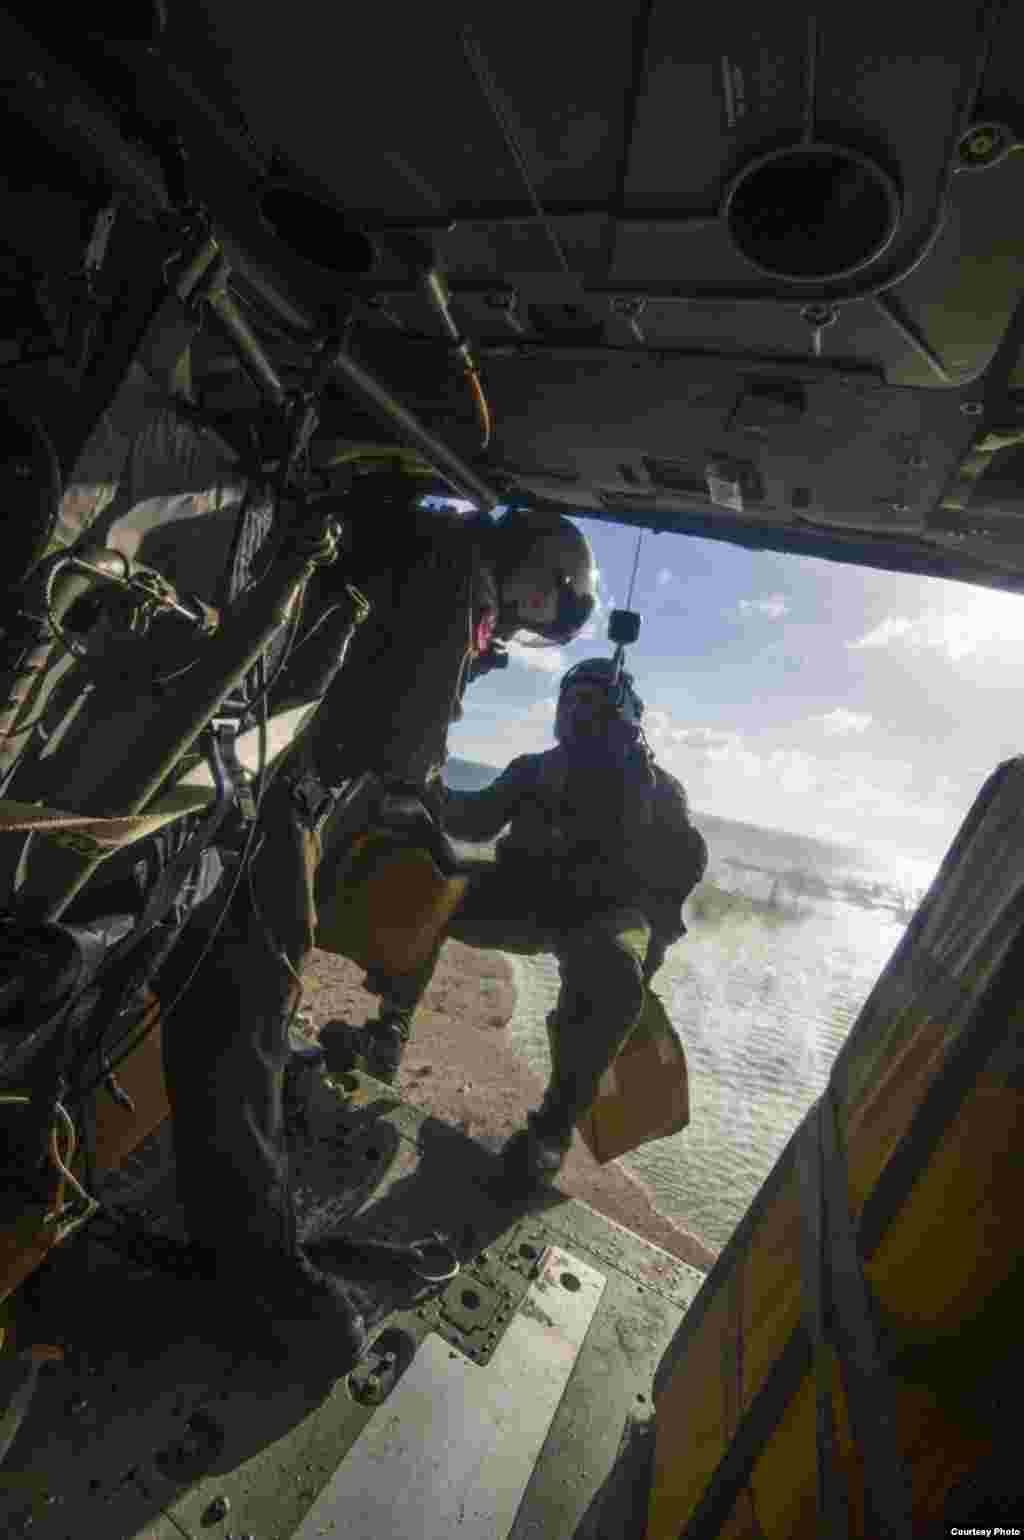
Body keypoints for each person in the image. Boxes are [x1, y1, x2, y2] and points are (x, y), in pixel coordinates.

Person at [151, 490, 598, 1369]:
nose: (526, 623)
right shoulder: (454, 580)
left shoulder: (431, 542)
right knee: (245, 992)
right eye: (544, 607)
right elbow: (409, 757)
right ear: (542, 575)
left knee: (240, 979)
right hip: (270, 781)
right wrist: (432, 818)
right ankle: (252, 1271)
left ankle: (265, 1095)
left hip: (252, 756)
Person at [324, 656, 708, 1191]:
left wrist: (649, 961)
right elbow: (473, 819)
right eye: (570, 699)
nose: (577, 711)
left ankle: (550, 1131)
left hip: (604, 916)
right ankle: (389, 1029)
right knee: (430, 882)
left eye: (592, 701)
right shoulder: (534, 770)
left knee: (614, 969)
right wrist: (424, 782)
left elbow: (676, 882)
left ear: (624, 715)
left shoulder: (660, 792)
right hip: (524, 898)